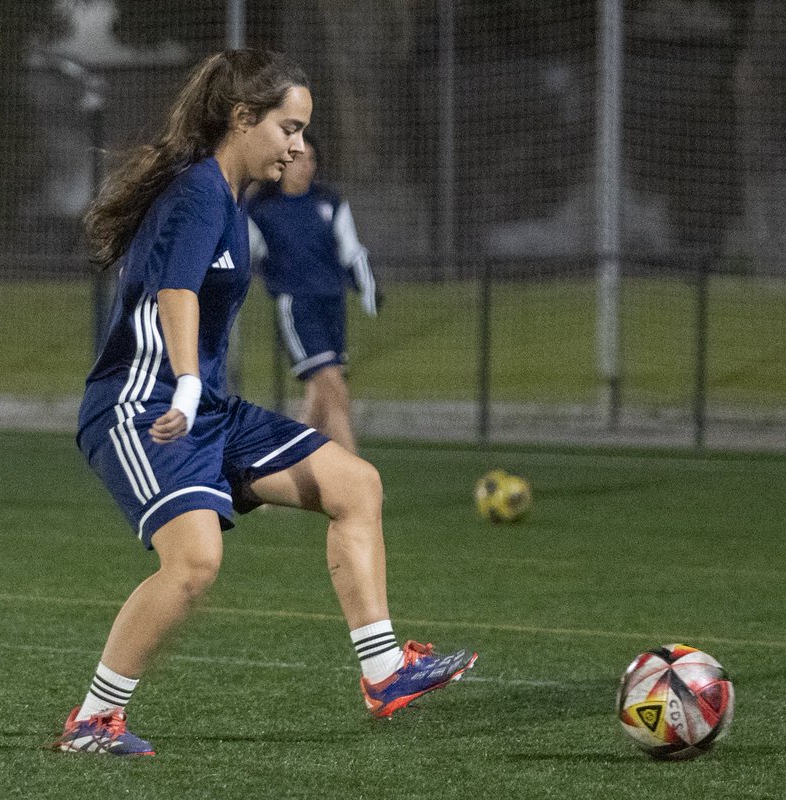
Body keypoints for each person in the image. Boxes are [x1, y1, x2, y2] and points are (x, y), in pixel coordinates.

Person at [55, 49, 476, 757]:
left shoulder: (225, 196)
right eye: (289, 128)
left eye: (303, 132)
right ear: (244, 119)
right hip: (143, 407)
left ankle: (385, 672)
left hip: (207, 408)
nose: (299, 146)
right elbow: (175, 292)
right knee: (193, 564)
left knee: (355, 484)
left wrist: (200, 393)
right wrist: (187, 385)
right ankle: (93, 722)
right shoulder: (196, 191)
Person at [247, 133, 378, 453]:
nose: (306, 166)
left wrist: (367, 286)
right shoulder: (261, 208)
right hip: (297, 307)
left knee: (318, 400)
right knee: (334, 389)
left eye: (311, 159)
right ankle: (357, 479)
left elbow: (351, 250)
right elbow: (246, 251)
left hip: (332, 304)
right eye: (298, 159)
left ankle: (272, 473)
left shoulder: (329, 201)